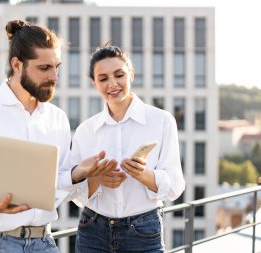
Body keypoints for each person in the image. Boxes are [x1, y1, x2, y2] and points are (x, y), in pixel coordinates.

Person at [0, 19, 109, 253]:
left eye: (57, 66)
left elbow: (53, 188)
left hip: (43, 240)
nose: (54, 76)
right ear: (17, 65)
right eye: (44, 68)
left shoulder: (57, 118)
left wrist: (77, 174)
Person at [70, 45, 186, 253]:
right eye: (103, 78)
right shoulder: (84, 131)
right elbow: (75, 195)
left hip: (143, 230)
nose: (112, 84)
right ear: (94, 83)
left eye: (119, 75)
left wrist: (143, 175)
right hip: (92, 231)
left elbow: (175, 187)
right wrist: (98, 180)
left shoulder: (161, 121)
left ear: (130, 74)